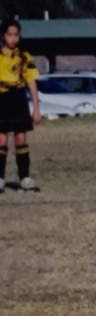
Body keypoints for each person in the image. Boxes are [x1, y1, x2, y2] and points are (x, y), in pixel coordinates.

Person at [0, 18, 41, 193]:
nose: (14, 39)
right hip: (2, 97)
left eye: (16, 35)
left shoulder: (24, 56)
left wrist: (36, 109)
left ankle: (24, 177)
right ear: (3, 36)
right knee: (1, 139)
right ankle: (0, 178)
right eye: (10, 35)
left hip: (18, 98)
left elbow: (31, 82)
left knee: (20, 138)